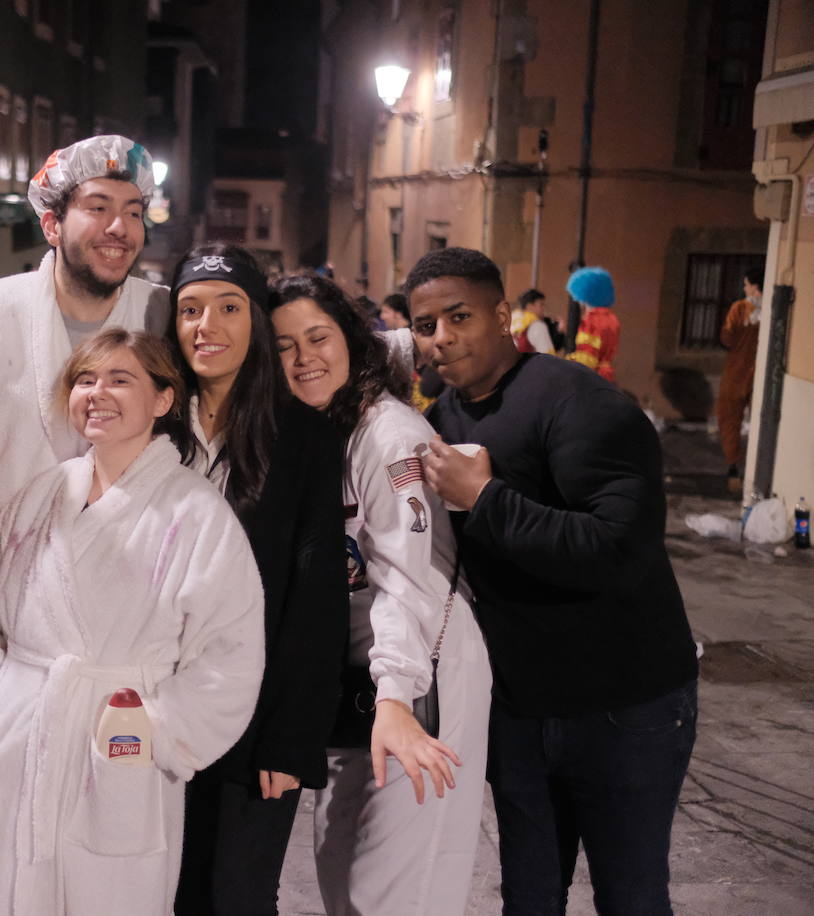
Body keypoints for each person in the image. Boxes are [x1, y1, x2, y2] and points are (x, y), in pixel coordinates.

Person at [0, 329, 266, 916]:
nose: (97, 393)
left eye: (120, 379)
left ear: (163, 400)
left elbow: (231, 653)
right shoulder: (43, 493)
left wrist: (153, 731)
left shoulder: (196, 514)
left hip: (118, 741)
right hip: (15, 733)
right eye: (85, 379)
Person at [407, 247, 698, 915]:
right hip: (520, 709)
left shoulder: (582, 404)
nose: (443, 337)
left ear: (502, 315)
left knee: (630, 896)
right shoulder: (443, 421)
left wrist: (485, 499)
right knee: (530, 898)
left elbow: (617, 549)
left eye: (460, 317)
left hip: (626, 705)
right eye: (427, 325)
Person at [268, 274, 492, 915]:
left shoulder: (386, 435)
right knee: (344, 878)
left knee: (396, 893)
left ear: (350, 340)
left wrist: (395, 694)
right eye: (284, 345)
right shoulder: (313, 427)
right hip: (357, 683)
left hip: (417, 673)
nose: (304, 357)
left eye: (319, 337)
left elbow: (404, 580)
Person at [166, 244, 348, 916]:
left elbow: (317, 599)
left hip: (257, 714)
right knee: (167, 894)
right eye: (190, 309)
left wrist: (291, 737)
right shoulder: (153, 427)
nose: (206, 324)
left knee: (237, 896)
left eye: (228, 307)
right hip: (162, 706)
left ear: (256, 326)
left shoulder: (302, 438)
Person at [0, 135, 168, 627]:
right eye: (98, 208)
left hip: (123, 595)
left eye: (134, 212)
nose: (119, 228)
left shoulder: (162, 315)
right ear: (52, 223)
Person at [716, 266, 763, 493]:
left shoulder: (740, 308)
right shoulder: (772, 311)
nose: (744, 288)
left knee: (729, 420)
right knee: (760, 423)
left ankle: (734, 468)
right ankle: (756, 472)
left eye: (746, 284)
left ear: (754, 286)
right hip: (760, 375)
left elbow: (727, 337)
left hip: (737, 372)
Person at [564, 266, 620, 382]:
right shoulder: (612, 319)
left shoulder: (591, 320)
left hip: (591, 378)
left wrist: (567, 364)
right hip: (606, 376)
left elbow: (587, 358)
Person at [511, 288, 556, 355]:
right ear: (529, 306)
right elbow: (547, 355)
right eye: (541, 305)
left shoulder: (512, 320)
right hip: (530, 364)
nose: (544, 308)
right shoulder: (537, 325)